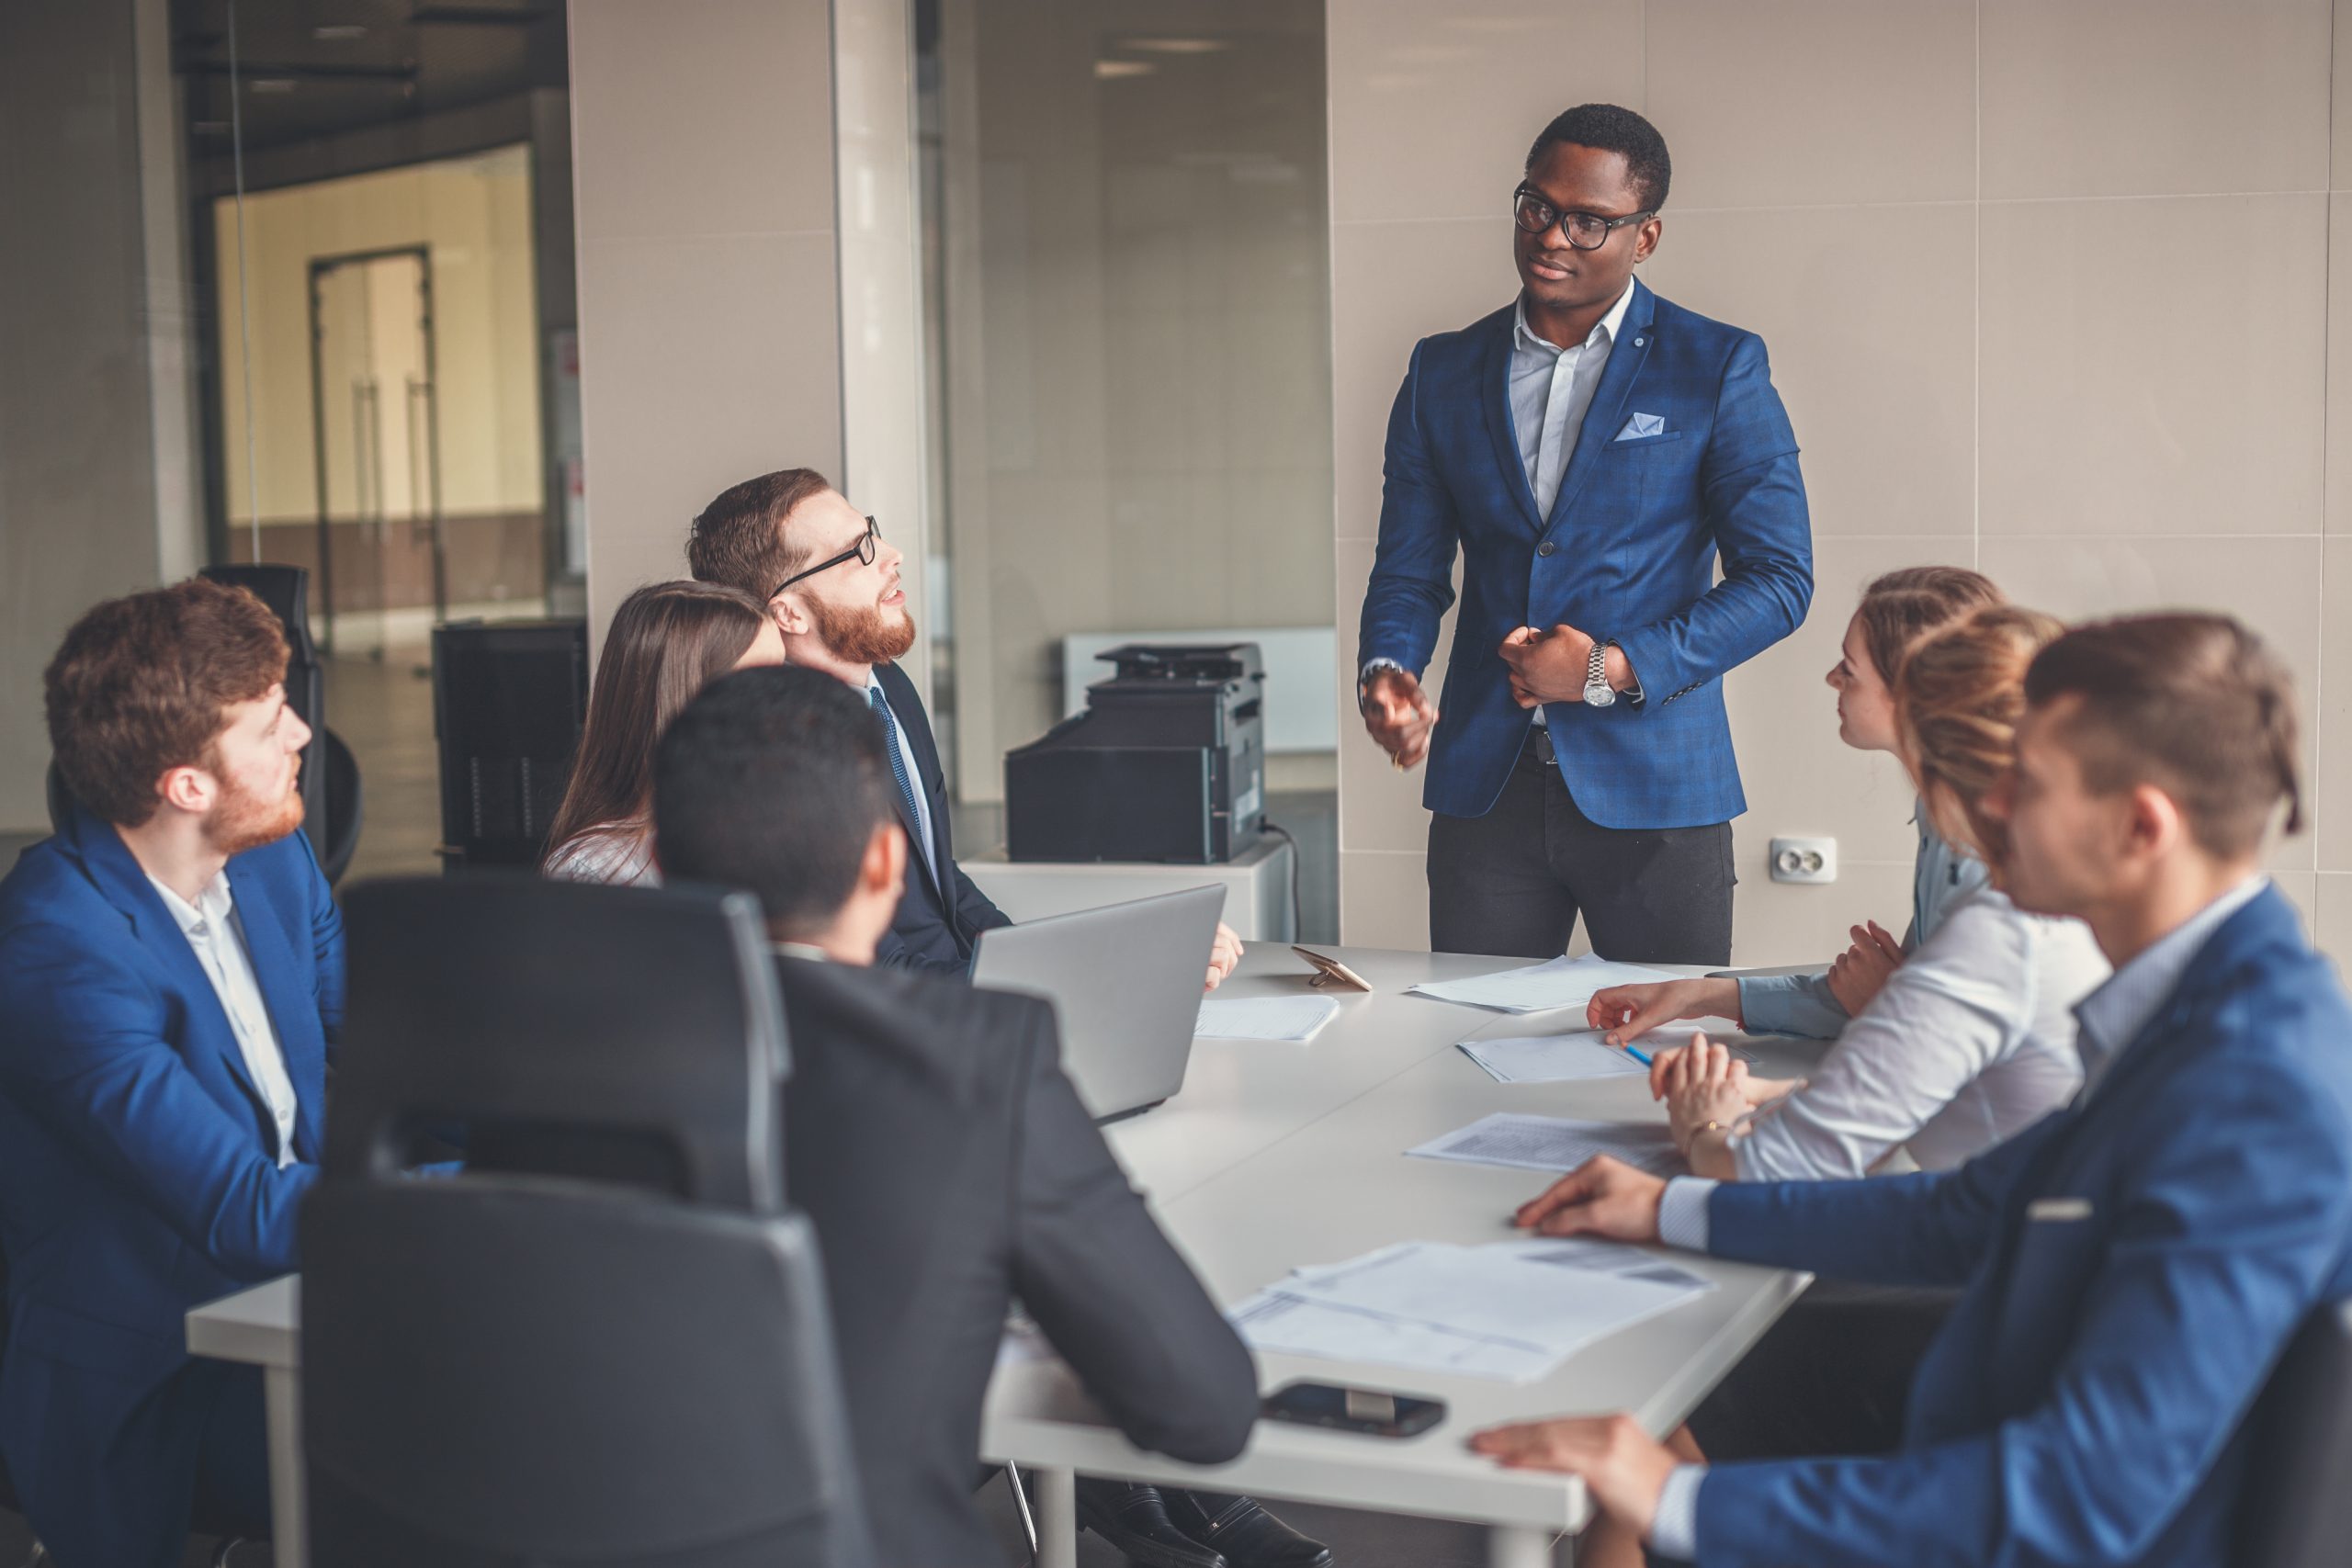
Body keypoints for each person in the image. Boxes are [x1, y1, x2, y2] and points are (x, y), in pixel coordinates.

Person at [1475, 613, 2352, 1568]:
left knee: (1652, 1438)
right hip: (1997, 1401)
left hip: (2040, 1503)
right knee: (1664, 1382)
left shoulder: (2255, 1092)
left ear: (2142, 826)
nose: (1993, 800)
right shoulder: (2200, 999)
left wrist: (1678, 1500)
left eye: (2033, 784)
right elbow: (1965, 1211)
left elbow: (2076, 1503)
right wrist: (1668, 1210)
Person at [650, 666, 1275, 1567]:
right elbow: (1204, 1405)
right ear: (883, 861)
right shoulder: (975, 1064)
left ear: (664, 862)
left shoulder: (546, 1064)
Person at [1356, 102, 1812, 964]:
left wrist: (1608, 667)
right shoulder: (1440, 371)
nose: (1552, 237)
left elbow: (1781, 580)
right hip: (1484, 792)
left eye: (1589, 221)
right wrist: (1389, 670)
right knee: (1466, 1051)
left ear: (1645, 236)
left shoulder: (1717, 366)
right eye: (1537, 205)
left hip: (1659, 792)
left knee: (1664, 1064)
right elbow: (1409, 570)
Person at [0, 579, 342, 1568]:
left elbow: (369, 1066)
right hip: (165, 1368)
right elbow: (243, 1208)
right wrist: (497, 1198)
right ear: (186, 785)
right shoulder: (58, 949)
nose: (304, 736)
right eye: (272, 720)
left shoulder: (273, 860)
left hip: (302, 1292)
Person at [687, 467, 1242, 991]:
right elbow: (878, 973)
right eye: (856, 553)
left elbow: (941, 885)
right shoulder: (778, 760)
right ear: (789, 614)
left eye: (872, 533)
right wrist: (1107, 969)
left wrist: (1063, 961)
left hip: (963, 998)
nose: (891, 556)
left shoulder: (890, 688)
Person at [1633, 605, 2108, 1182]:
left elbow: (1757, 1169)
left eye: (1850, 669)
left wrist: (1704, 1124)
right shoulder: (2021, 887)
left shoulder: (1999, 925)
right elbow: (1946, 1082)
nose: (1833, 679)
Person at [1590, 566, 2003, 1046]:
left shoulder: (1987, 840)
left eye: (1848, 669)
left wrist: (1887, 1004)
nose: (1831, 678)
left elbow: (1958, 1053)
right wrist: (1693, 996)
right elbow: (1884, 1002)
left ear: (1914, 693)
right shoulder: (1943, 810)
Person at [542, 579, 785, 886]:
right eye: (758, 681)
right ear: (688, 697)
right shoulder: (596, 869)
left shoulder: (763, 825)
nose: (782, 699)